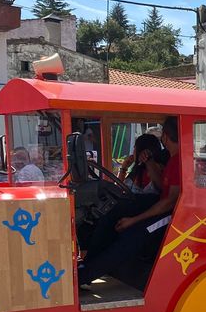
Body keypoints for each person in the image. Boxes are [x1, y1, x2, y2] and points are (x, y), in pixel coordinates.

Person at [78, 116, 182, 287]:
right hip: (162, 207)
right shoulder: (171, 160)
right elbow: (159, 190)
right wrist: (140, 164)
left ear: (164, 136)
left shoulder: (178, 161)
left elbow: (170, 201)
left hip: (175, 214)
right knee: (112, 213)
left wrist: (133, 220)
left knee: (133, 235)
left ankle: (84, 276)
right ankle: (88, 264)